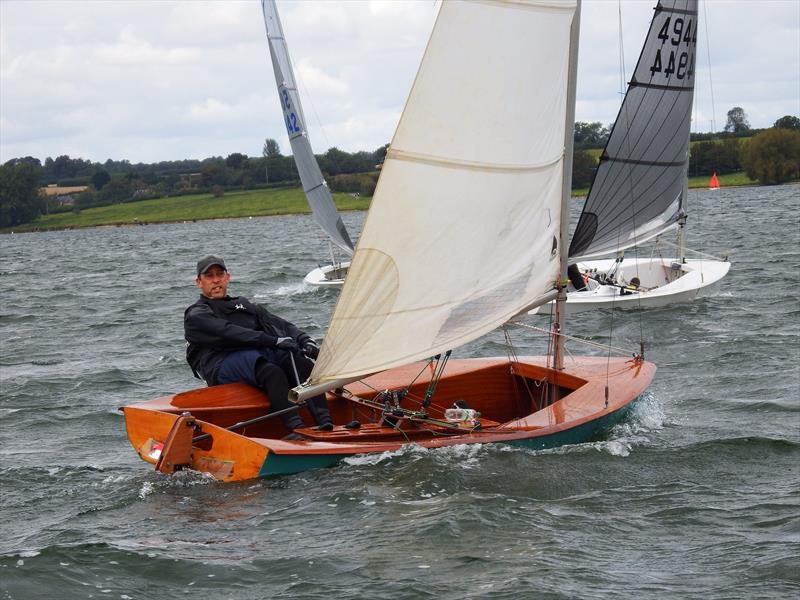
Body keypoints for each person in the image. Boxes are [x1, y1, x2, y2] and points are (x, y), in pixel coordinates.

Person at [184, 255, 333, 438]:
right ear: (199, 282)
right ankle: (296, 429)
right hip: (220, 362)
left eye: (219, 274)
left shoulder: (242, 304)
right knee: (271, 371)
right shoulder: (196, 314)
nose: (215, 280)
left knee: (301, 362)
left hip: (255, 352)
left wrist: (304, 340)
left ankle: (326, 423)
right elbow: (229, 332)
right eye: (209, 276)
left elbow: (279, 324)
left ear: (227, 277)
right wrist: (274, 341)